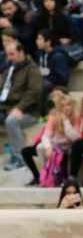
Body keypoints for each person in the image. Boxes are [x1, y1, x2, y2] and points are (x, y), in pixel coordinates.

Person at [1, 41, 42, 171]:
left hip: (29, 111)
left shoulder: (32, 70)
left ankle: (18, 158)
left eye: (12, 54)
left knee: (11, 121)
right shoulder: (9, 70)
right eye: (8, 55)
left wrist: (20, 108)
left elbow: (34, 93)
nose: (10, 58)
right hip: (6, 108)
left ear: (21, 52)